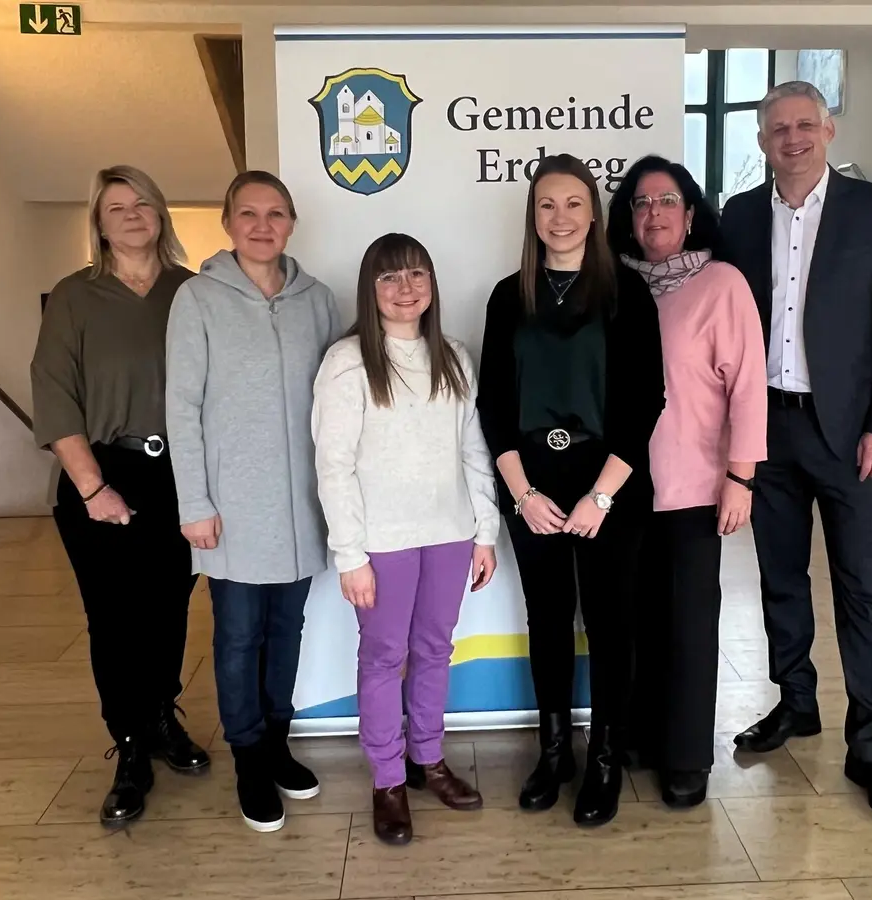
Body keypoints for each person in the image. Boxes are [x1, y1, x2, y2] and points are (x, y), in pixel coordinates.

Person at [717, 81, 872, 825]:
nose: (794, 139)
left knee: (863, 590)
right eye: (779, 129)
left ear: (829, 131)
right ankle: (794, 703)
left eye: (806, 125)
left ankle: (870, 742)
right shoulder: (738, 218)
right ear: (762, 140)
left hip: (850, 436)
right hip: (766, 433)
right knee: (780, 578)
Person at [476, 154, 666, 827]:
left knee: (613, 626)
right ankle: (554, 751)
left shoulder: (626, 294)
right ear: (533, 216)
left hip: (608, 485)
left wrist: (602, 496)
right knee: (549, 621)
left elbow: (647, 402)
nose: (560, 217)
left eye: (573, 203)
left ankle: (606, 759)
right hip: (534, 487)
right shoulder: (510, 295)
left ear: (594, 213)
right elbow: (492, 403)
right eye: (547, 205)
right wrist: (522, 494)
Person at [30, 165, 210, 827]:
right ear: (98, 223)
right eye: (117, 207)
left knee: (169, 606)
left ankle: (163, 715)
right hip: (102, 471)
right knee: (114, 617)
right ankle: (130, 743)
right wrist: (92, 486)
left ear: (161, 214)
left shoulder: (193, 292)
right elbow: (53, 395)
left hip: (181, 474)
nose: (133, 215)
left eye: (144, 204)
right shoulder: (76, 298)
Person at [166, 170, 341, 834]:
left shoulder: (318, 300)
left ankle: (275, 742)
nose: (262, 225)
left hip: (302, 506)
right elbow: (181, 409)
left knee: (285, 631)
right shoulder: (198, 299)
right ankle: (247, 756)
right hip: (231, 509)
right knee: (237, 636)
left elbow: (338, 400)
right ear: (228, 223)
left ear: (291, 222)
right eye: (248, 213)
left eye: (275, 214)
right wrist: (194, 503)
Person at [311, 233, 500, 845]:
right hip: (382, 543)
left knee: (435, 649)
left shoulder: (454, 356)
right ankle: (388, 779)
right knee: (383, 657)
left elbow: (474, 449)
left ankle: (427, 758)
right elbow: (332, 464)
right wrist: (351, 556)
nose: (405, 288)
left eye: (417, 275)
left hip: (449, 534)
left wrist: (485, 531)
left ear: (432, 286)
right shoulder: (347, 362)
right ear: (370, 290)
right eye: (390, 278)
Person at [607, 156, 766, 808]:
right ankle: (641, 737)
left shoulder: (721, 283)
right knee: (633, 621)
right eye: (641, 205)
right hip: (618, 489)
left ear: (691, 212)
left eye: (665, 202)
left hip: (694, 488)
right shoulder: (612, 285)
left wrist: (741, 476)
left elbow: (748, 386)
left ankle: (687, 757)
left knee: (690, 626)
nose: (653, 214)